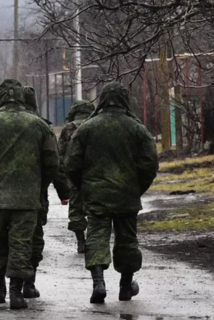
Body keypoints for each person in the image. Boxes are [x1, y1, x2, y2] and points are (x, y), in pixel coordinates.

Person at [0, 80, 70, 310]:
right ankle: (16, 292)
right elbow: (52, 163)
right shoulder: (39, 126)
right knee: (21, 243)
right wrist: (40, 186)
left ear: (0, 98)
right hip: (27, 199)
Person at [64, 82, 159, 304]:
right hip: (126, 195)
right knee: (127, 240)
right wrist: (137, 188)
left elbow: (71, 164)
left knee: (96, 236)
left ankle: (98, 282)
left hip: (96, 195)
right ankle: (126, 285)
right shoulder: (137, 129)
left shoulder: (86, 129)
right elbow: (149, 164)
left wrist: (84, 187)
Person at [20, 86, 69, 299]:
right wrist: (60, 190)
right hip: (34, 196)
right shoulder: (42, 127)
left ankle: (0, 288)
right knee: (33, 238)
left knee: (5, 240)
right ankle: (28, 284)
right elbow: (54, 164)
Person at [58, 100, 96, 254]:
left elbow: (60, 155)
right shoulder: (96, 124)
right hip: (96, 175)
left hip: (75, 175)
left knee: (76, 210)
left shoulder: (69, 128)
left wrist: (64, 176)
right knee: (95, 209)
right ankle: (94, 240)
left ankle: (81, 241)